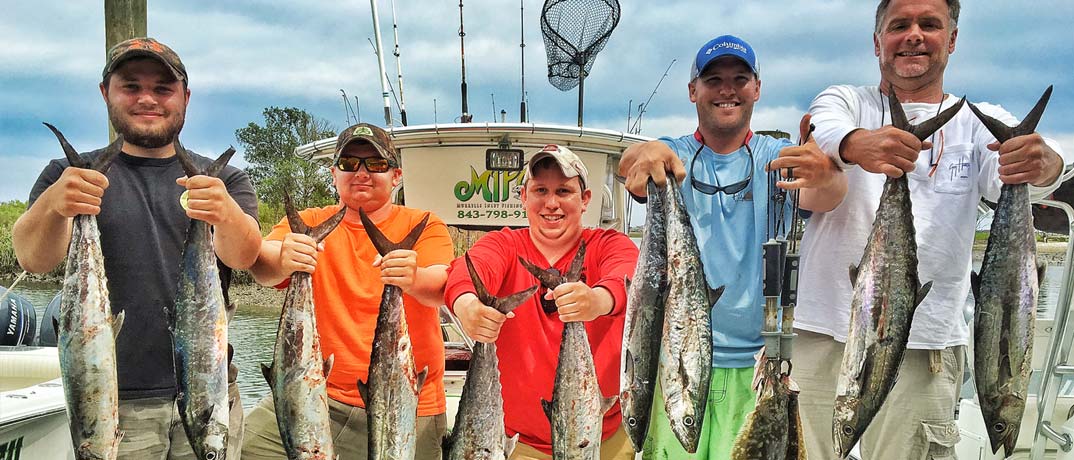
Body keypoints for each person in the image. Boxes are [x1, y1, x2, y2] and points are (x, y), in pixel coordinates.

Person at [792, 0, 1068, 458]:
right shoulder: (846, 101)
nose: (914, 35)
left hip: (927, 343)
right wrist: (858, 143)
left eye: (930, 24)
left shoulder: (976, 122)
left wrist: (1044, 163)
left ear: (953, 39)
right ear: (877, 41)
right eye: (899, 25)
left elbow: (1027, 172)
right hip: (823, 336)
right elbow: (825, 127)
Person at [12, 37, 261, 458]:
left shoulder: (224, 182)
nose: (148, 98)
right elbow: (33, 260)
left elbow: (244, 256)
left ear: (186, 96)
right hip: (106, 394)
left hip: (209, 387)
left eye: (162, 88)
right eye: (131, 86)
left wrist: (225, 214)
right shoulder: (68, 175)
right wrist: (55, 204)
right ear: (105, 93)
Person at [616, 34, 846, 459]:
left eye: (740, 79)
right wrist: (643, 151)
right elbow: (630, 164)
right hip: (671, 361)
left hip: (760, 369)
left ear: (756, 88)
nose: (727, 89)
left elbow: (828, 195)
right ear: (693, 91)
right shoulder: (674, 156)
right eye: (713, 79)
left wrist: (828, 173)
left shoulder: (779, 158)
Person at [241, 122, 453, 459]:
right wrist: (283, 259)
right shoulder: (309, 222)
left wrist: (412, 278)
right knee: (242, 448)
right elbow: (263, 267)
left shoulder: (424, 223)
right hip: (315, 393)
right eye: (350, 164)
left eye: (377, 164)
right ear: (334, 173)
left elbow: (441, 285)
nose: (362, 173)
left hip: (407, 401)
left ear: (396, 175)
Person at [445, 144, 640, 459]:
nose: (552, 203)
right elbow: (468, 269)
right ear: (524, 196)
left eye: (564, 190)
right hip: (517, 445)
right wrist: (467, 305)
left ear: (585, 199)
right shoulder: (504, 244)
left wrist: (597, 300)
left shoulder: (608, 244)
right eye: (541, 190)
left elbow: (629, 279)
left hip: (602, 440)